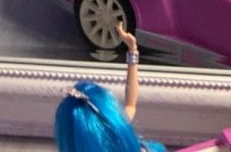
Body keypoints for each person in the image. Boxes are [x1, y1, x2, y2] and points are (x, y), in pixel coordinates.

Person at [55, 24, 165, 152]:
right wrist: (132, 50)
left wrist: (133, 50)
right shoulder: (118, 135)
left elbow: (131, 104)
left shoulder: (116, 134)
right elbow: (131, 105)